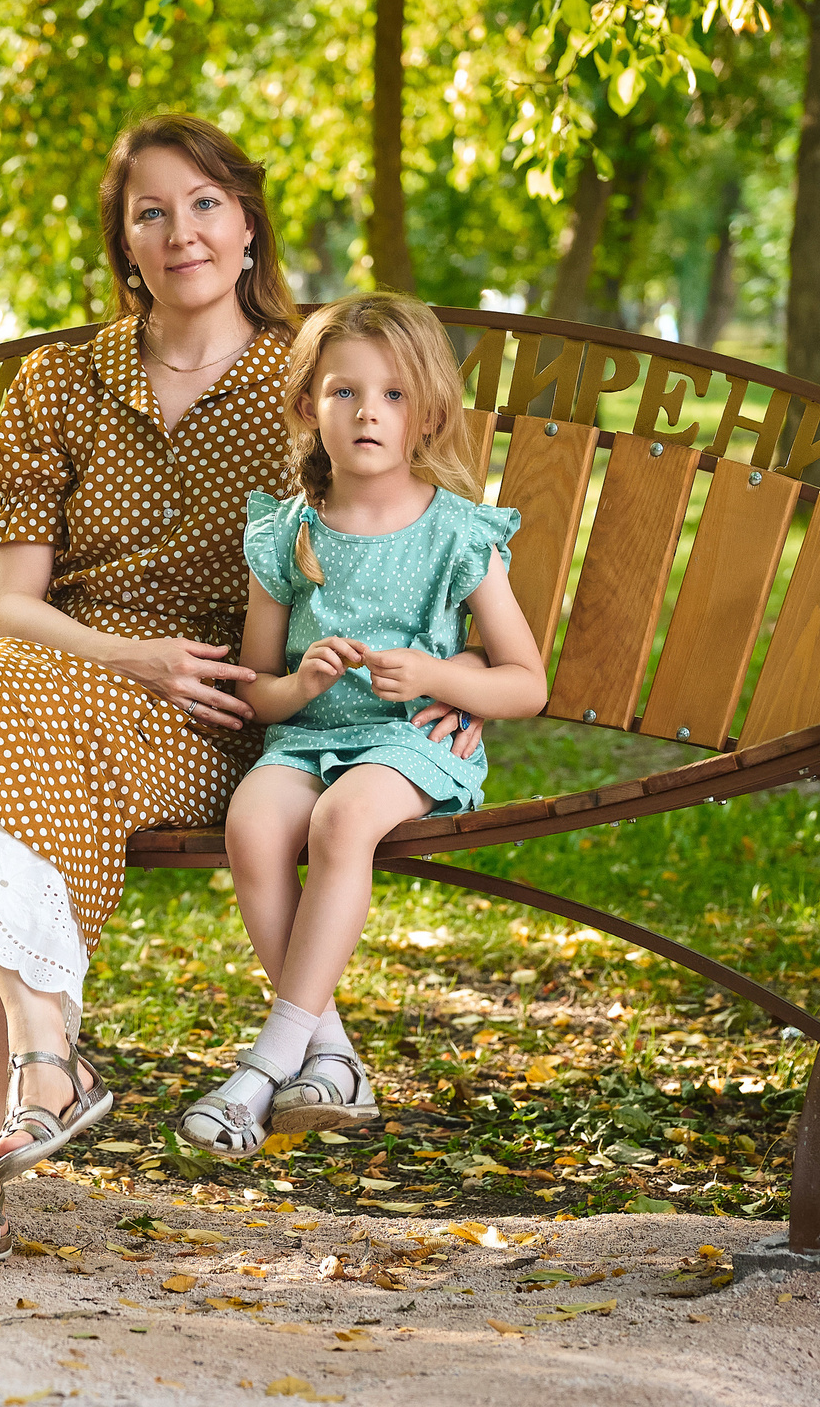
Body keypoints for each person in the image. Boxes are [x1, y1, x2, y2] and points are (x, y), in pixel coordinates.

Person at [0, 117, 481, 1275]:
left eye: (204, 204)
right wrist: (126, 654)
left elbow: (415, 513)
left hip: (219, 709)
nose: (180, 231)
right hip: (63, 684)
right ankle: (45, 1056)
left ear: (247, 226)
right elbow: (12, 607)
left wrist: (449, 682)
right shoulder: (61, 380)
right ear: (125, 243)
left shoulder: (304, 378)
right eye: (151, 212)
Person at [181, 293, 548, 1156]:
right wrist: (300, 684)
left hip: (412, 742)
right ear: (310, 406)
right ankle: (331, 1055)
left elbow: (526, 682)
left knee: (340, 820)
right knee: (254, 823)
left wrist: (435, 674)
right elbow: (256, 692)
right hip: (306, 737)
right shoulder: (287, 535)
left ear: (426, 415)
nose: (367, 413)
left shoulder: (459, 534)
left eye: (391, 395)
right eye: (344, 392)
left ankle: (265, 1067)